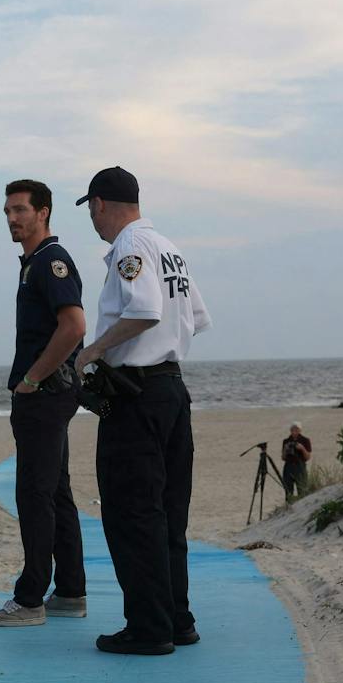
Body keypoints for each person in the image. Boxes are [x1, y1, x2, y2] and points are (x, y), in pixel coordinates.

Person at [73, 167, 212, 656]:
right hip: (172, 389)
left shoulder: (129, 248)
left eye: (91, 208)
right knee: (170, 513)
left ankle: (149, 627)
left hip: (138, 396)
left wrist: (94, 352)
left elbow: (143, 309)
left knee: (133, 512)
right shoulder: (169, 247)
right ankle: (178, 618)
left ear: (100, 204)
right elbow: (196, 318)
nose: (92, 218)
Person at [0, 179, 88, 627]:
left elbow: (75, 326)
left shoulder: (51, 261)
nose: (12, 218)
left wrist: (31, 379)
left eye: (20, 210)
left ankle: (30, 600)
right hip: (47, 395)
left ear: (43, 212)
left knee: (34, 494)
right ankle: (70, 590)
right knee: (56, 491)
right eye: (7, 211)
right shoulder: (34, 264)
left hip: (44, 396)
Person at [281, 422, 312, 500]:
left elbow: (308, 457)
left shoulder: (305, 440)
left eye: (296, 429)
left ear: (300, 430)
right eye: (292, 429)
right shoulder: (286, 441)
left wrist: (302, 449)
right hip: (288, 466)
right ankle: (289, 508)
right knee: (288, 491)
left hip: (300, 466)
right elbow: (283, 457)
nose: (294, 431)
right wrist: (285, 449)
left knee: (302, 490)